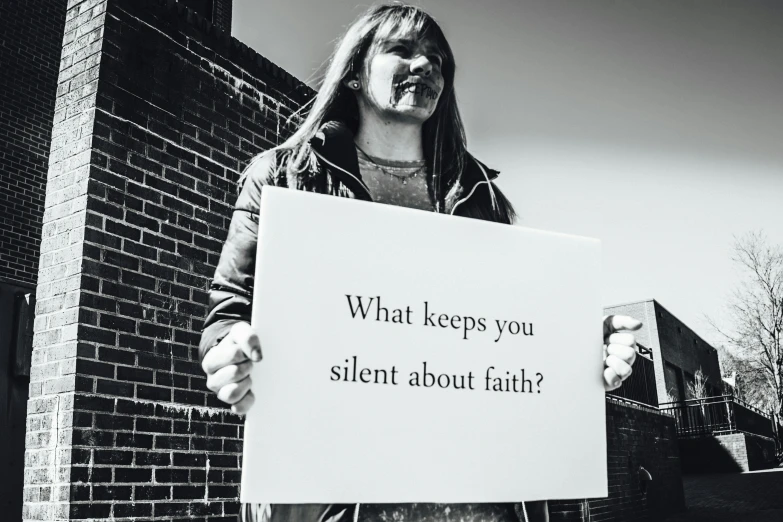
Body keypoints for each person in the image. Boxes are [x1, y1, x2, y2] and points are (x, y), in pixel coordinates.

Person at [198, 4, 641, 522]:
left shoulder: (479, 196)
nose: (426, 66)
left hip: (478, 497)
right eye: (403, 50)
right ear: (357, 70)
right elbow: (227, 313)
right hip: (336, 498)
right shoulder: (285, 175)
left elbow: (506, 327)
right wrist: (227, 352)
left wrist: (582, 351)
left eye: (438, 60)